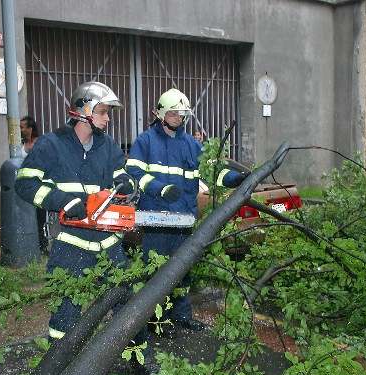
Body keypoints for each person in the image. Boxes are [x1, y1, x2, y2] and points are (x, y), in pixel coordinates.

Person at [14, 82, 137, 341]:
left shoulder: (108, 145)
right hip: (70, 243)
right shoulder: (51, 144)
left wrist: (127, 182)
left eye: (108, 113)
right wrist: (63, 201)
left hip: (108, 241)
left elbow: (121, 174)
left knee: (126, 305)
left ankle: (140, 362)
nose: (107, 118)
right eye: (102, 111)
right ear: (83, 111)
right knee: (65, 313)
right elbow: (25, 183)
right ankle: (57, 370)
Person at [126, 88, 248, 331]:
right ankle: (156, 321)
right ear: (160, 113)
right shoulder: (145, 142)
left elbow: (213, 172)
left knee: (183, 273)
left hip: (183, 220)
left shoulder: (192, 145)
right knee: (157, 273)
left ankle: (181, 317)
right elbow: (134, 172)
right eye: (173, 113)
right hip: (157, 221)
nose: (178, 118)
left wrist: (236, 178)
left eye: (181, 114)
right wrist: (160, 189)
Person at [20, 116, 47, 255]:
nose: (20, 129)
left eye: (22, 127)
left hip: (38, 186)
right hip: (25, 187)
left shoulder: (40, 143)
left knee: (40, 218)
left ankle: (42, 245)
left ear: (30, 129)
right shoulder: (19, 144)